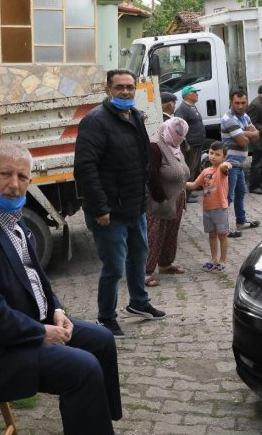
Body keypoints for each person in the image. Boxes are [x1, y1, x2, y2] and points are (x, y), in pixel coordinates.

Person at [0, 141, 121, 435]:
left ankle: (98, 423)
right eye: (5, 174)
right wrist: (41, 332)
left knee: (101, 340)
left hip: (23, 327)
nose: (14, 184)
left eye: (22, 177)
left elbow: (35, 275)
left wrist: (57, 309)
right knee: (82, 368)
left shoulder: (8, 215)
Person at [74, 69, 166, 338]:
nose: (125, 92)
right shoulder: (95, 122)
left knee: (139, 256)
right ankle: (106, 317)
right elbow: (85, 167)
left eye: (129, 87)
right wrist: (100, 207)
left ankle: (138, 303)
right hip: (110, 211)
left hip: (134, 205)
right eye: (119, 88)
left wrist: (145, 198)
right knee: (114, 266)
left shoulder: (135, 116)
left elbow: (141, 160)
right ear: (107, 89)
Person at [144, 117, 191, 288]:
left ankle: (165, 264)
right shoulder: (156, 146)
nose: (180, 136)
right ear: (169, 130)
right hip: (161, 200)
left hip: (177, 198)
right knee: (155, 235)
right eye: (177, 132)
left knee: (171, 233)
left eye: (182, 133)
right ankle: (145, 272)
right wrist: (160, 198)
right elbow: (152, 175)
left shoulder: (175, 146)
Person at [186, 142, 233, 272]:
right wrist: (181, 183)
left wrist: (226, 164)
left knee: (222, 235)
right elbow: (194, 184)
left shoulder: (222, 170)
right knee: (212, 235)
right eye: (211, 153)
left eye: (217, 154)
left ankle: (223, 261)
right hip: (207, 208)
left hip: (220, 208)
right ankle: (214, 259)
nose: (213, 156)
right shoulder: (206, 171)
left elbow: (226, 166)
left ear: (224, 157)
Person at [221, 90, 261, 238]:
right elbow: (243, 142)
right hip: (230, 164)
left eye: (243, 103)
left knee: (240, 193)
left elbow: (256, 136)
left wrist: (244, 133)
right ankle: (223, 228)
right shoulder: (229, 119)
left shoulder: (245, 116)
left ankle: (241, 222)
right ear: (231, 102)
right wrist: (248, 133)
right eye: (237, 103)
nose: (240, 106)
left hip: (239, 163)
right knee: (228, 197)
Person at [174, 85, 206, 203]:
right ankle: (185, 195)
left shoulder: (192, 107)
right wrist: (185, 143)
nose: (197, 94)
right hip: (191, 145)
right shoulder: (182, 109)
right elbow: (178, 126)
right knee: (189, 169)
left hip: (197, 143)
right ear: (187, 95)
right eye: (194, 92)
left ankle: (189, 192)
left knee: (195, 168)